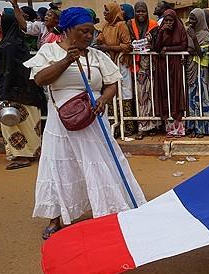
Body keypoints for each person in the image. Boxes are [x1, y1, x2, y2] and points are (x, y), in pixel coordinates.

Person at [24, 7, 146, 239]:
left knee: (99, 164)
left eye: (91, 32)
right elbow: (40, 79)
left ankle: (108, 211)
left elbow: (112, 83)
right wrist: (66, 60)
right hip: (61, 122)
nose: (89, 37)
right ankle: (56, 218)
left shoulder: (96, 55)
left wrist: (103, 99)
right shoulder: (49, 51)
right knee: (60, 167)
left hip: (92, 119)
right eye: (83, 31)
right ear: (68, 30)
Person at [0, 9, 46, 170]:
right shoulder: (18, 43)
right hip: (27, 92)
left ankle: (23, 156)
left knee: (15, 125)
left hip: (15, 93)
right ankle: (29, 153)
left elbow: (7, 71)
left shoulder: (8, 46)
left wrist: (4, 94)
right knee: (28, 124)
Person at [97, 2, 134, 137]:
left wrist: (108, 48)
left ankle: (128, 126)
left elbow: (127, 46)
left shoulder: (121, 25)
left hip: (121, 62)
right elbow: (100, 39)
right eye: (104, 11)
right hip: (109, 63)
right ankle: (114, 125)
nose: (105, 13)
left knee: (124, 92)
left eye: (107, 11)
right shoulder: (105, 26)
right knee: (111, 92)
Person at [153, 9, 188, 138]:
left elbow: (184, 45)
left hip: (176, 64)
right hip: (163, 65)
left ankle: (179, 128)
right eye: (166, 20)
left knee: (176, 92)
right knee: (165, 92)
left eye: (171, 20)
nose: (169, 23)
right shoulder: (160, 30)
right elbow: (156, 48)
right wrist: (161, 32)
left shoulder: (180, 29)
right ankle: (169, 127)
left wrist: (168, 48)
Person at [126, 1, 159, 139]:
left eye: (143, 11)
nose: (141, 14)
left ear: (147, 12)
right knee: (141, 96)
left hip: (151, 65)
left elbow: (157, 43)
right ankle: (142, 126)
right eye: (138, 11)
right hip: (137, 66)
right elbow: (128, 42)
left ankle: (153, 125)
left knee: (151, 94)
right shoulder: (129, 24)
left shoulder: (153, 25)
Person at [186, 8, 209, 138]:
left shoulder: (205, 34)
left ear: (200, 19)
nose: (192, 21)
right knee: (191, 97)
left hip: (201, 68)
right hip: (190, 67)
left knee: (201, 96)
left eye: (194, 18)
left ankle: (202, 128)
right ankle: (191, 127)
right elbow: (188, 49)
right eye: (191, 18)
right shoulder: (189, 32)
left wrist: (194, 39)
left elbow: (201, 53)